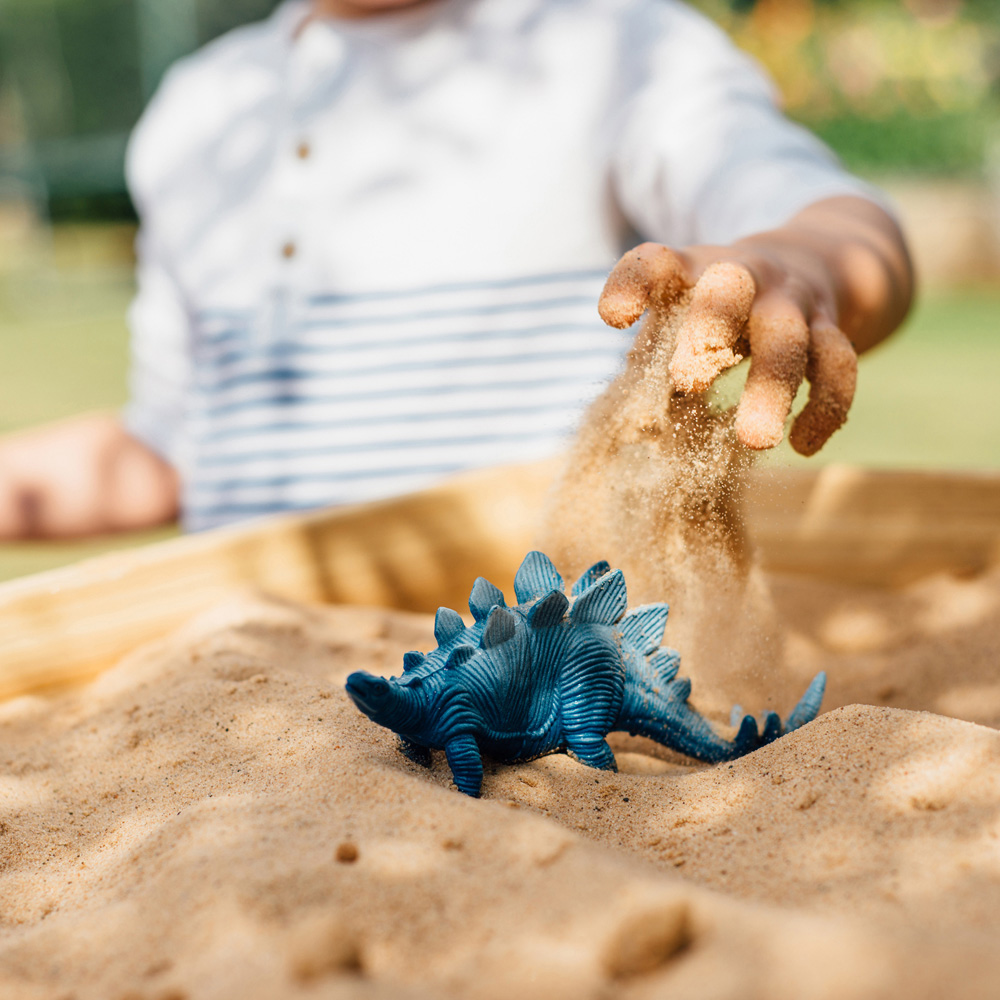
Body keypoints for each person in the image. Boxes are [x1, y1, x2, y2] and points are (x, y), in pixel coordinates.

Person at [0, 0, 913, 538]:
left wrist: (798, 267)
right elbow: (175, 447)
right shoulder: (198, 112)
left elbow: (835, 218)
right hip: (255, 720)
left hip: (528, 667)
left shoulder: (614, 43)